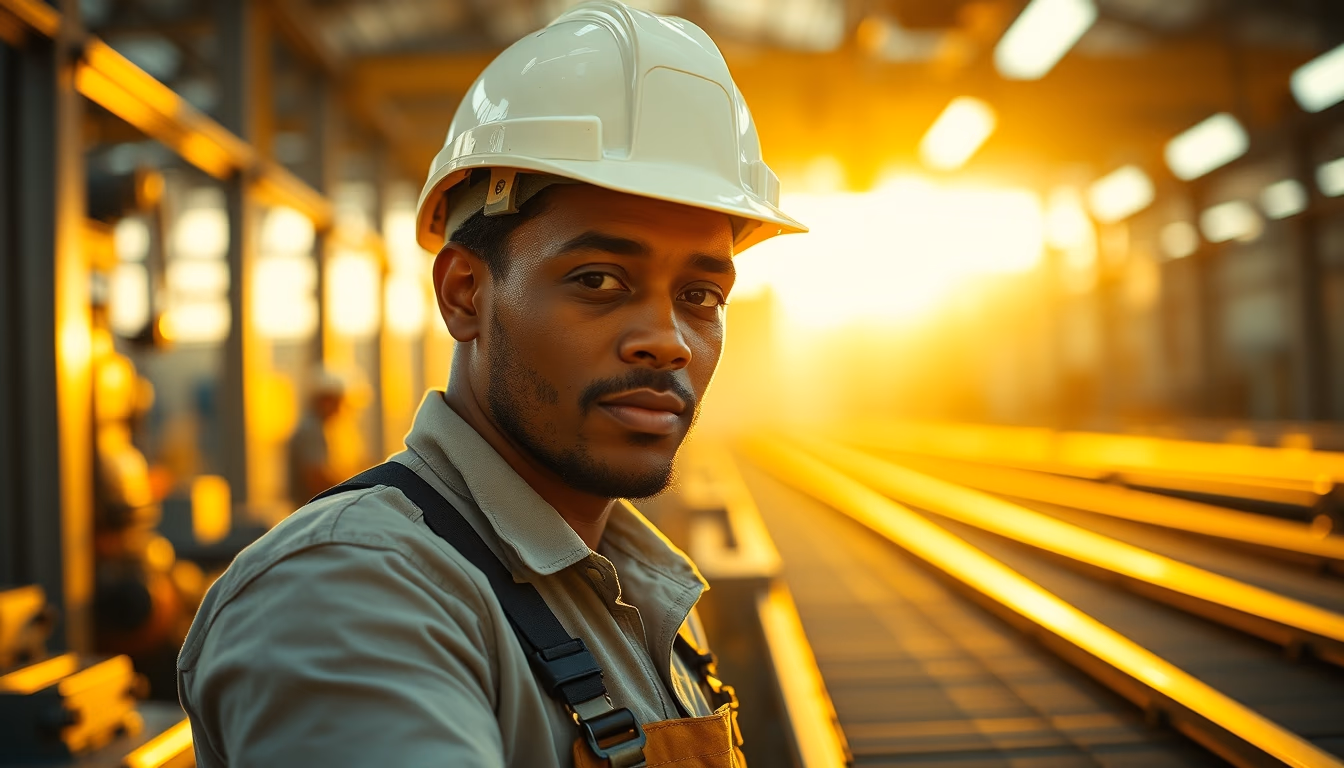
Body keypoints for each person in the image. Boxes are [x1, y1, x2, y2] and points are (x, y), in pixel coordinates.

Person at [176, 2, 804, 766]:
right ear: (465, 295)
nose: (666, 341)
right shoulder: (350, 599)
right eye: (599, 279)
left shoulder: (633, 588)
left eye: (700, 296)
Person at [286, 369, 346, 507]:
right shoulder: (312, 430)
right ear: (325, 400)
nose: (340, 409)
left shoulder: (319, 428)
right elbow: (315, 477)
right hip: (313, 508)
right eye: (338, 402)